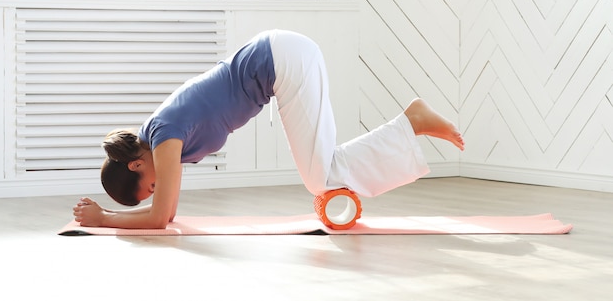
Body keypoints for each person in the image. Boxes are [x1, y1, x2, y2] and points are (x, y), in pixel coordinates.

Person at [73, 30, 464, 229]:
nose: (161, 189)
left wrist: (104, 219)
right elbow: (168, 214)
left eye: (150, 187)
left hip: (283, 63)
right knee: (325, 170)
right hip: (284, 59)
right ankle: (409, 123)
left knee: (320, 177)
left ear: (135, 166)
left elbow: (160, 218)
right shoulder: (160, 133)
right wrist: (116, 212)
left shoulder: (165, 136)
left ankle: (412, 122)